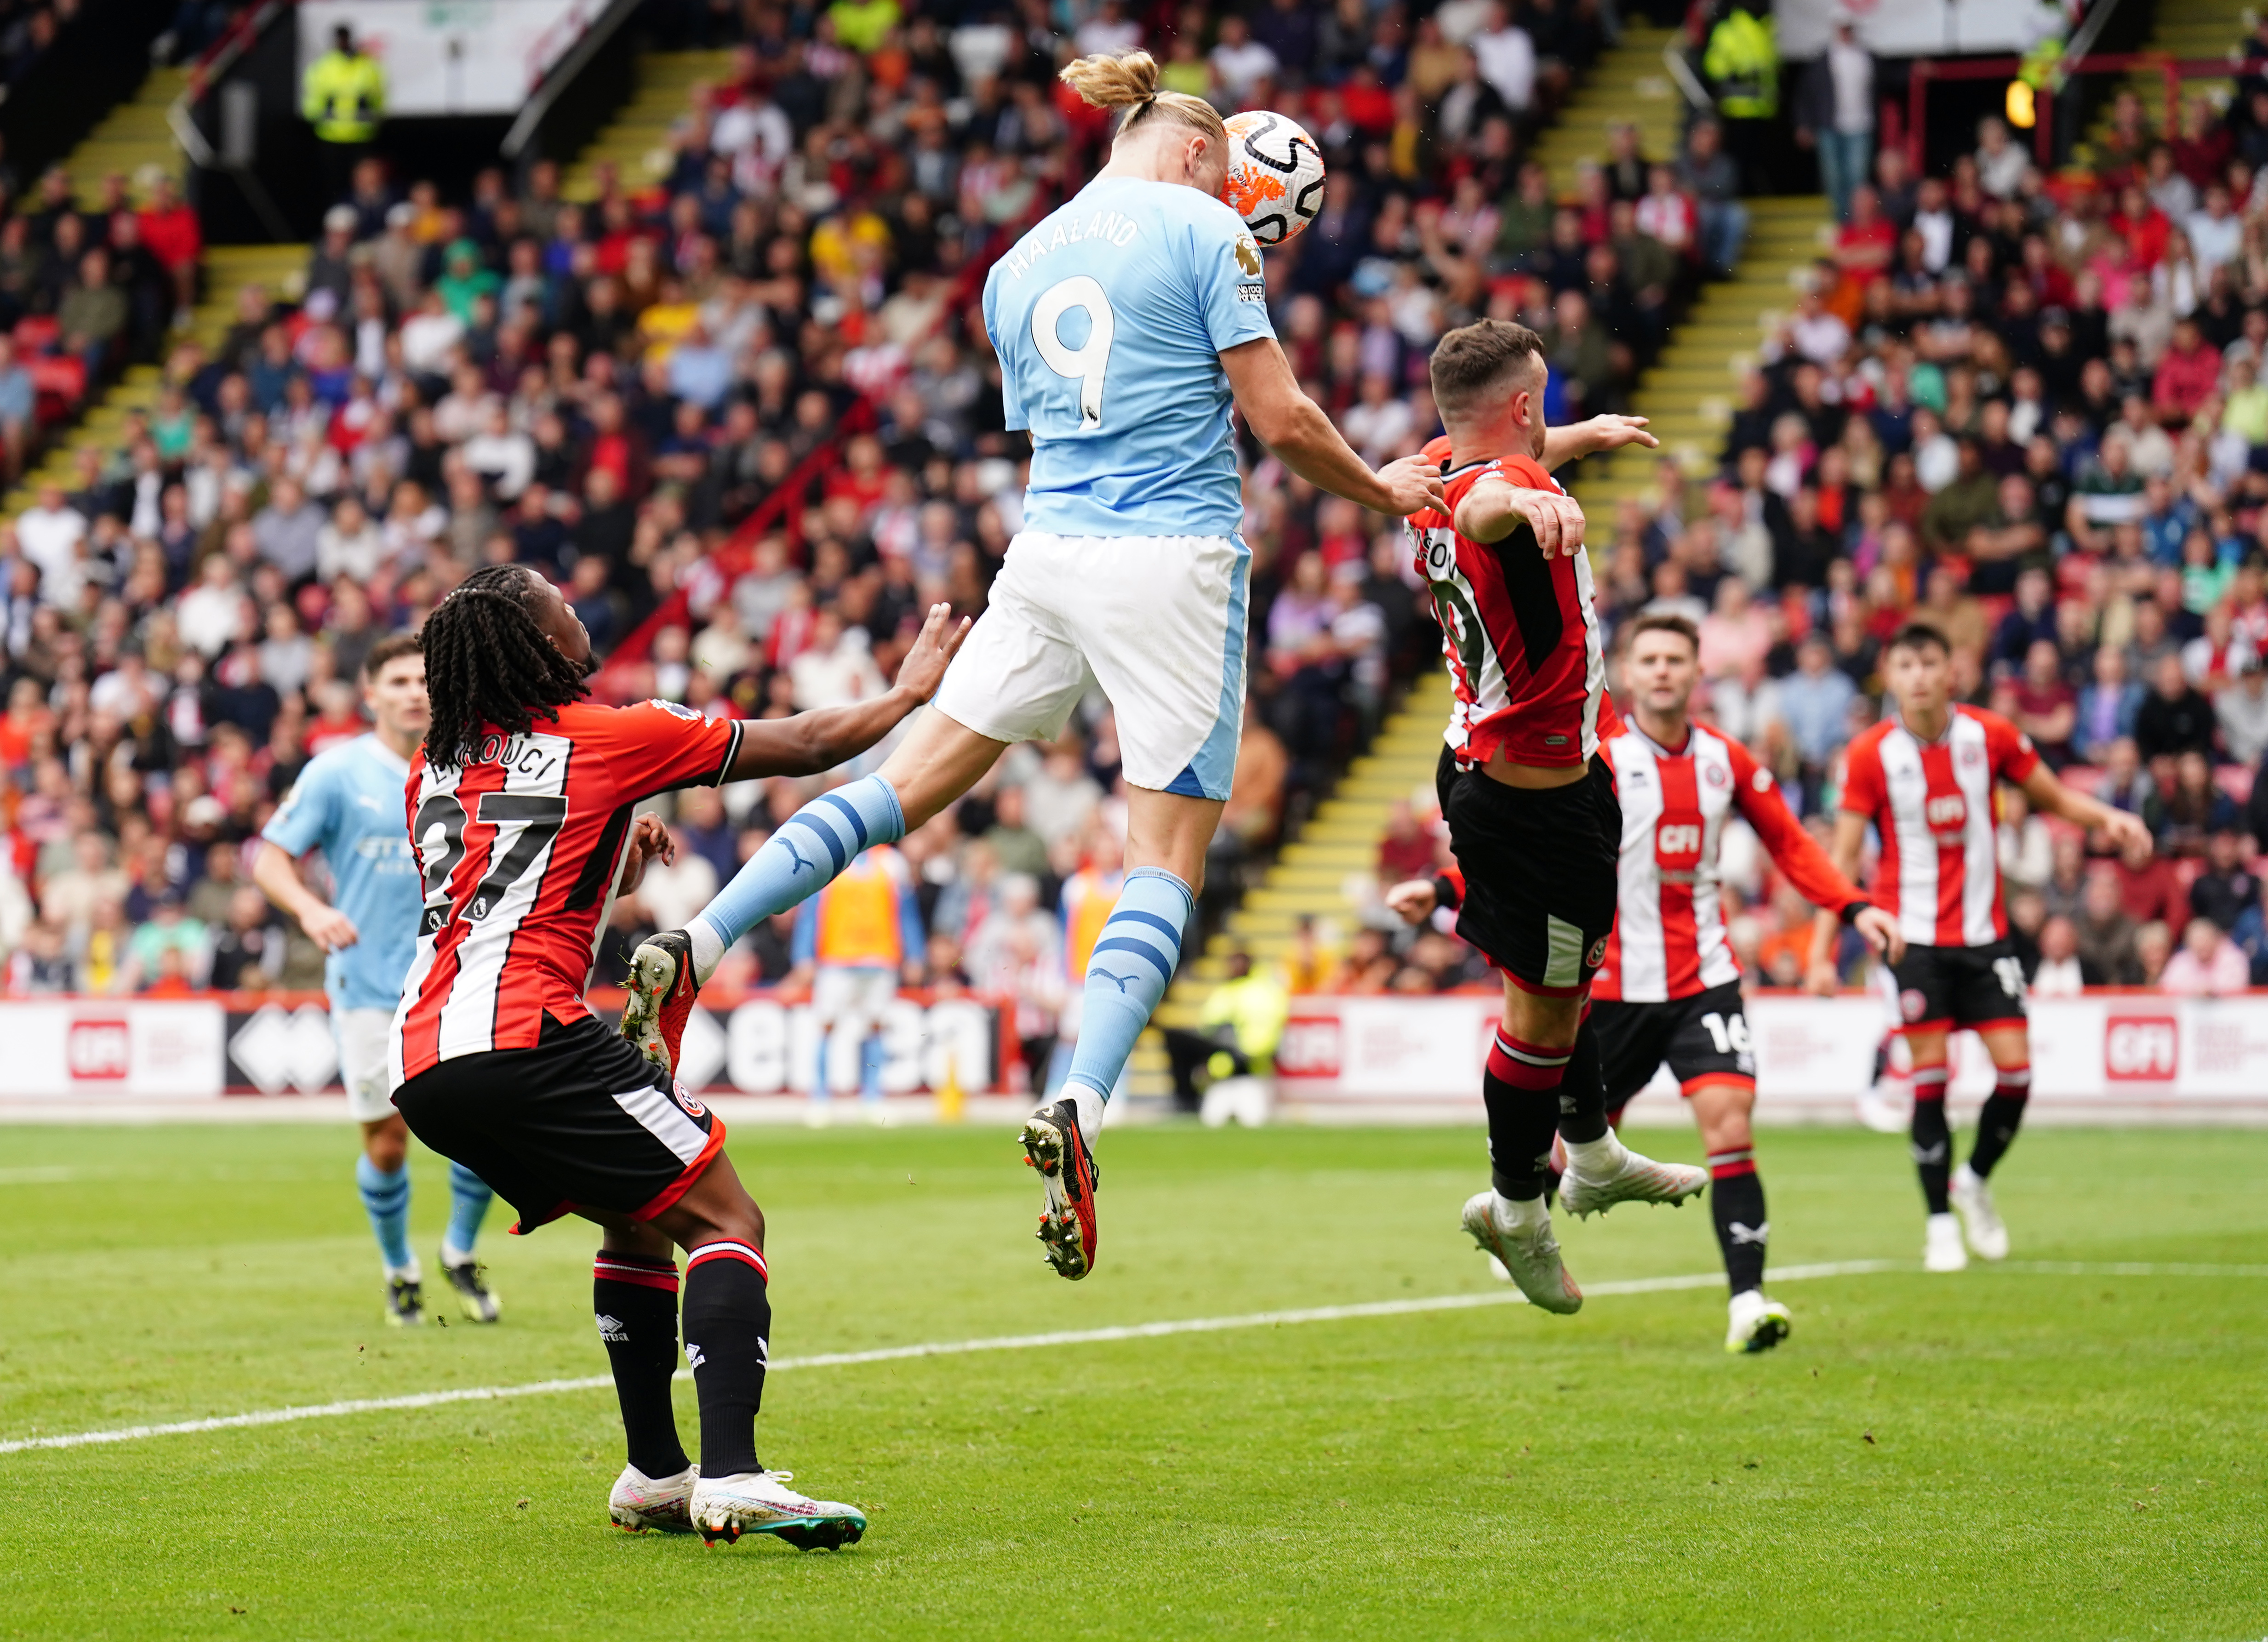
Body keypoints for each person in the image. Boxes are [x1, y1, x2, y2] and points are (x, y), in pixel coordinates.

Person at [613, 48, 1442, 1284]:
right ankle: (1078, 1103)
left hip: (1047, 548)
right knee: (1164, 856)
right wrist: (1380, 490)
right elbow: (1273, 419)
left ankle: (706, 937)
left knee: (904, 786)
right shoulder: (1208, 233)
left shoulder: (1014, 267)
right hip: (1169, 556)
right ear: (1202, 156)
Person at [388, 562, 965, 1546]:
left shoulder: (430, 773)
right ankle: (733, 1474)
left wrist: (615, 844)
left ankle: (656, 1470)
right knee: (726, 1213)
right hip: (530, 1034)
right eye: (556, 603)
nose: (576, 607)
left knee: (636, 1223)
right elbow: (814, 742)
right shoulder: (610, 734)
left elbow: (514, 883)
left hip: (427, 1062)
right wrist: (911, 693)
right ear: (539, 645)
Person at [1381, 319, 1706, 1318]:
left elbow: (1477, 470)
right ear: (1521, 405)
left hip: (1534, 774)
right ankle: (1518, 1207)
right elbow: (1489, 503)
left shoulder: (1437, 465)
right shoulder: (1485, 494)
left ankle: (1596, 1152)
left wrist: (1580, 438)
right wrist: (1525, 491)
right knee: (1545, 1009)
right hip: (1529, 801)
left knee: (1567, 989)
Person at [1550, 612, 1900, 1351]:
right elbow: (1533, 838)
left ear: (1695, 671)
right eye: (1649, 659)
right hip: (1612, 988)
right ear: (1629, 672)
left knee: (1731, 1126)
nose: (1663, 671)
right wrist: (1451, 886)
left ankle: (1749, 1300)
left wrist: (1853, 905)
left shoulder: (1725, 760)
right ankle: (1524, 1222)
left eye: (1676, 658)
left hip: (1703, 982)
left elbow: (1791, 844)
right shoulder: (1599, 755)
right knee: (1576, 1145)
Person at [1824, 623, 2151, 1273]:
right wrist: (1819, 947)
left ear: (1953, 670)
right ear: (1891, 676)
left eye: (1929, 662)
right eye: (1906, 665)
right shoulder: (1869, 755)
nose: (1918, 676)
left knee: (2016, 1073)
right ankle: (1939, 1223)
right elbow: (1839, 859)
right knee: (1930, 1083)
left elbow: (2054, 797)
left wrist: (2110, 819)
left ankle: (1972, 1178)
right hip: (1912, 940)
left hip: (1984, 939)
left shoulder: (1989, 736)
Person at [252, 633, 501, 1328]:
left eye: (424, 680)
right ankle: (400, 1269)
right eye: (396, 682)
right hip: (366, 985)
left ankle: (459, 1252)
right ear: (370, 695)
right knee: (388, 1142)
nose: (413, 693)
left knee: (480, 1131)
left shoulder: (471, 767)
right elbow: (271, 859)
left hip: (459, 981)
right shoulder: (337, 773)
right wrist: (311, 908)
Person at [788, 840, 925, 1123]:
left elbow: (906, 911)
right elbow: (813, 910)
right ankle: (821, 1097)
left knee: (876, 1025)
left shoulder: (892, 862)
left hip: (880, 957)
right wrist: (804, 954)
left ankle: (873, 1096)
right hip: (837, 957)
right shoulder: (831, 859)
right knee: (827, 1024)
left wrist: (914, 952)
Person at [302, 24, 387, 206]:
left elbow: (379, 97)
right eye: (340, 38)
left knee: (365, 185)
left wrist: (374, 118)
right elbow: (312, 100)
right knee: (332, 185)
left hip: (361, 135)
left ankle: (364, 222)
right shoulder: (324, 66)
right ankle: (335, 221)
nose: (344, 42)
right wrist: (319, 118)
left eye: (346, 38)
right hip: (331, 135)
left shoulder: (367, 65)